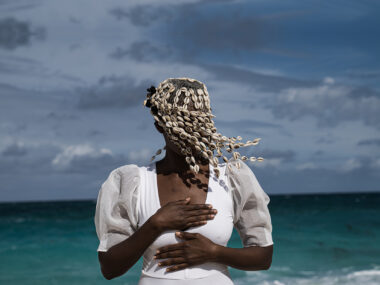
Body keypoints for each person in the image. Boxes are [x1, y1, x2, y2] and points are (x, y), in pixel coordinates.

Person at [94, 78, 274, 284]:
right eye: (182, 124)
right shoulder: (132, 182)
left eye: (198, 123)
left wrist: (214, 252)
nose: (192, 134)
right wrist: (156, 224)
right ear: (159, 126)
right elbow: (110, 268)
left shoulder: (232, 178)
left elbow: (263, 257)